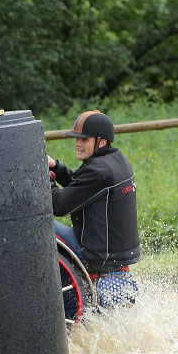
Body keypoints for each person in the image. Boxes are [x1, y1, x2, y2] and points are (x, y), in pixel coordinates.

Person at [48, 110, 140, 306]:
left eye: (85, 139)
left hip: (96, 255)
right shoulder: (117, 161)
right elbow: (81, 186)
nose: (78, 143)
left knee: (43, 225)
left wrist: (44, 176)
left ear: (102, 142)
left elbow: (58, 205)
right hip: (117, 254)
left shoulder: (98, 170)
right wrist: (55, 167)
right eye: (77, 138)